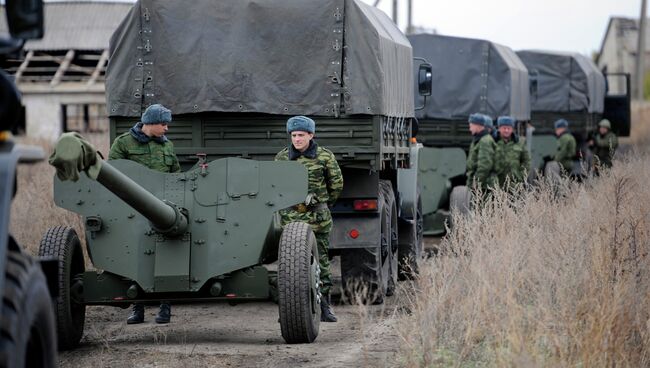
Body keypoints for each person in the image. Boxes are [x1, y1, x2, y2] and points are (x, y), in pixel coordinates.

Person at [109, 103, 181, 324]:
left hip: (163, 210)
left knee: (167, 257)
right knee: (137, 259)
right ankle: (137, 308)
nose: (166, 129)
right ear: (150, 123)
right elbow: (113, 173)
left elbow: (175, 175)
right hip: (134, 210)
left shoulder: (167, 146)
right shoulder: (123, 143)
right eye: (163, 124)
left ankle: (165, 307)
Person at [275, 116, 343, 322]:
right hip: (291, 219)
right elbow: (276, 186)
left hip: (317, 220)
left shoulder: (324, 157)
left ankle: (324, 306)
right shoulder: (282, 157)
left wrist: (322, 203)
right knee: (289, 264)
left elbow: (336, 185)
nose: (297, 139)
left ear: (311, 135)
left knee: (321, 262)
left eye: (301, 135)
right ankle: (289, 310)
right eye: (294, 135)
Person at [494, 116, 531, 188]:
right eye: (504, 128)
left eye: (509, 128)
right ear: (499, 128)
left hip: (514, 183)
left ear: (512, 129)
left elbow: (526, 161)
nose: (506, 130)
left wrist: (521, 176)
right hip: (496, 183)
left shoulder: (520, 142)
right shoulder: (492, 141)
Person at [466, 113, 497, 193]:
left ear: (477, 125)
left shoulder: (485, 141)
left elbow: (484, 166)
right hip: (482, 185)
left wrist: (476, 184)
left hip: (485, 187)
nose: (470, 129)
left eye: (471, 126)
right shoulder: (479, 139)